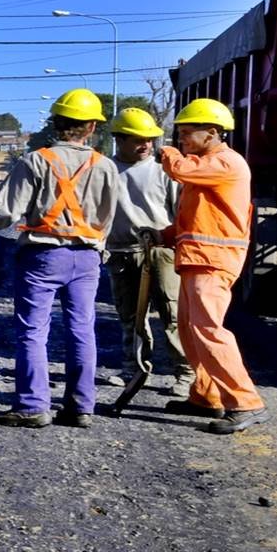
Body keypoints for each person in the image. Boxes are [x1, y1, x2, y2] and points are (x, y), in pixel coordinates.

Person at [0, 89, 119, 428]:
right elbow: (109, 216)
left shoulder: (37, 160)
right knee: (82, 330)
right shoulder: (105, 166)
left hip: (43, 256)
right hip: (88, 258)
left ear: (56, 124)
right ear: (91, 127)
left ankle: (33, 406)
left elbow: (5, 211)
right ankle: (81, 407)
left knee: (33, 331)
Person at [160, 98, 268, 434]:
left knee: (208, 331)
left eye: (188, 133)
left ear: (212, 132)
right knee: (192, 330)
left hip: (213, 260)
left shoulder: (224, 162)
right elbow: (201, 215)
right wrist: (166, 234)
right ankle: (206, 395)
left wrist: (163, 151)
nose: (182, 140)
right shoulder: (208, 163)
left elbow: (179, 169)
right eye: (180, 135)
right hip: (197, 256)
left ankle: (246, 402)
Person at [105, 108, 194, 397]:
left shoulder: (163, 171)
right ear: (119, 140)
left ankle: (185, 373)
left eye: (150, 139)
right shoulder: (106, 171)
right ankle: (133, 368)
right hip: (121, 252)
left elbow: (180, 213)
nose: (146, 144)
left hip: (161, 252)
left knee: (173, 314)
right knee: (130, 315)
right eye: (137, 139)